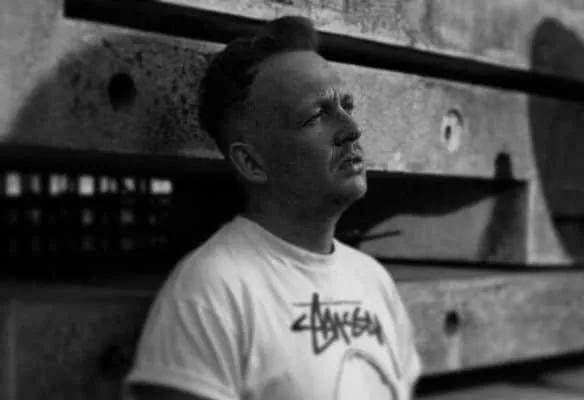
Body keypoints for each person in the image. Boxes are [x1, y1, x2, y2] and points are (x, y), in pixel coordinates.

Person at [125, 15, 422, 400]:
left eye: (346, 106)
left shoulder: (373, 280)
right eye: (316, 115)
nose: (351, 129)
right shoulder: (210, 293)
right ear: (251, 162)